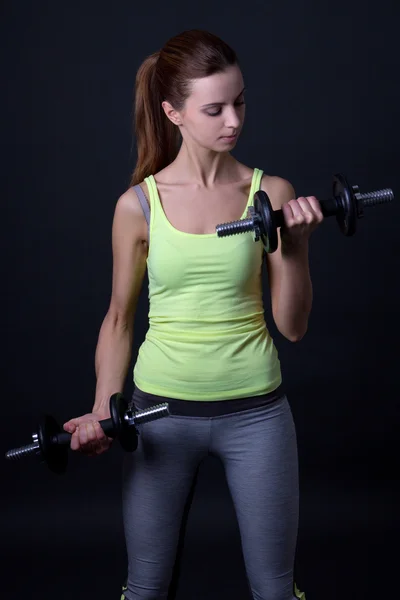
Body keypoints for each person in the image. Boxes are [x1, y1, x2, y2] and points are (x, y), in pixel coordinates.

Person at [63, 29, 323, 600]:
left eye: (240, 102)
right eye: (214, 108)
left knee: (276, 590)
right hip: (158, 417)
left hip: (257, 417)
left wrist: (296, 245)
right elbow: (118, 319)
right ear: (172, 112)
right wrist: (102, 411)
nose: (233, 120)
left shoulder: (271, 191)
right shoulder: (137, 206)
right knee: (146, 588)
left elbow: (294, 328)